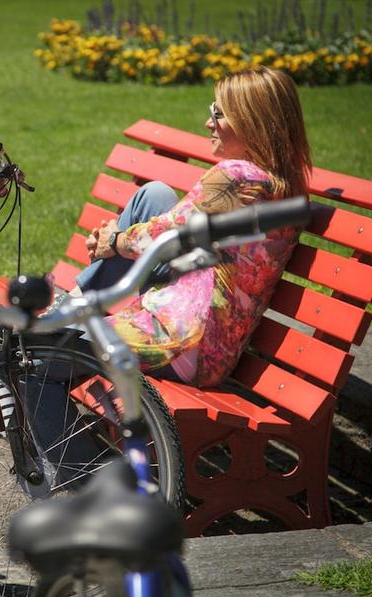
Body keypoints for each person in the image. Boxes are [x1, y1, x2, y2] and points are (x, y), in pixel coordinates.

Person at [71, 66, 311, 387]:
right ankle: (73, 303)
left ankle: (56, 438)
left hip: (182, 342)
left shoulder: (237, 178)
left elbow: (162, 236)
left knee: (44, 351)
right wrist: (117, 240)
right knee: (155, 194)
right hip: (204, 330)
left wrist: (113, 242)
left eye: (219, 114)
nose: (208, 123)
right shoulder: (280, 183)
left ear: (253, 122)